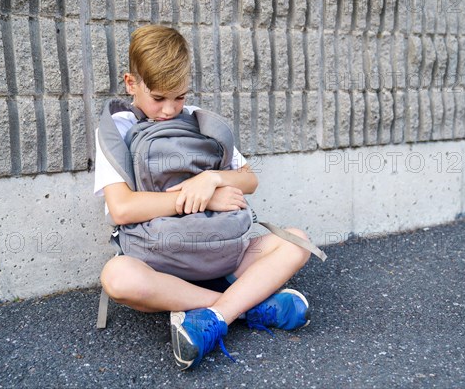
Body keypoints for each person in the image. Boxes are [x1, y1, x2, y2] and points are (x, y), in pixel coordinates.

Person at [95, 25, 312, 370]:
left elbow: (249, 180)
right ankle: (245, 308)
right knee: (118, 277)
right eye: (159, 98)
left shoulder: (197, 122)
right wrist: (204, 200)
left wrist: (211, 179)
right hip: (162, 265)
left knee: (298, 241)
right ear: (131, 83)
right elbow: (122, 209)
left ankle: (213, 316)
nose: (169, 109)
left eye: (179, 96)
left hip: (219, 253)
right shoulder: (116, 129)